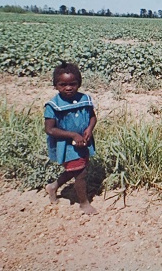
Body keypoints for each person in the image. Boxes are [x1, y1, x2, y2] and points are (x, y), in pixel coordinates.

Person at [44, 61, 98, 215]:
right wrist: (73, 135)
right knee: (80, 174)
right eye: (62, 84)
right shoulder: (53, 105)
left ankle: (53, 186)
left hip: (84, 142)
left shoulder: (85, 99)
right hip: (67, 145)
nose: (68, 88)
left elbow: (93, 117)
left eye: (73, 84)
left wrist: (89, 128)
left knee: (77, 169)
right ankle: (84, 203)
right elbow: (49, 129)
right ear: (55, 85)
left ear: (79, 83)